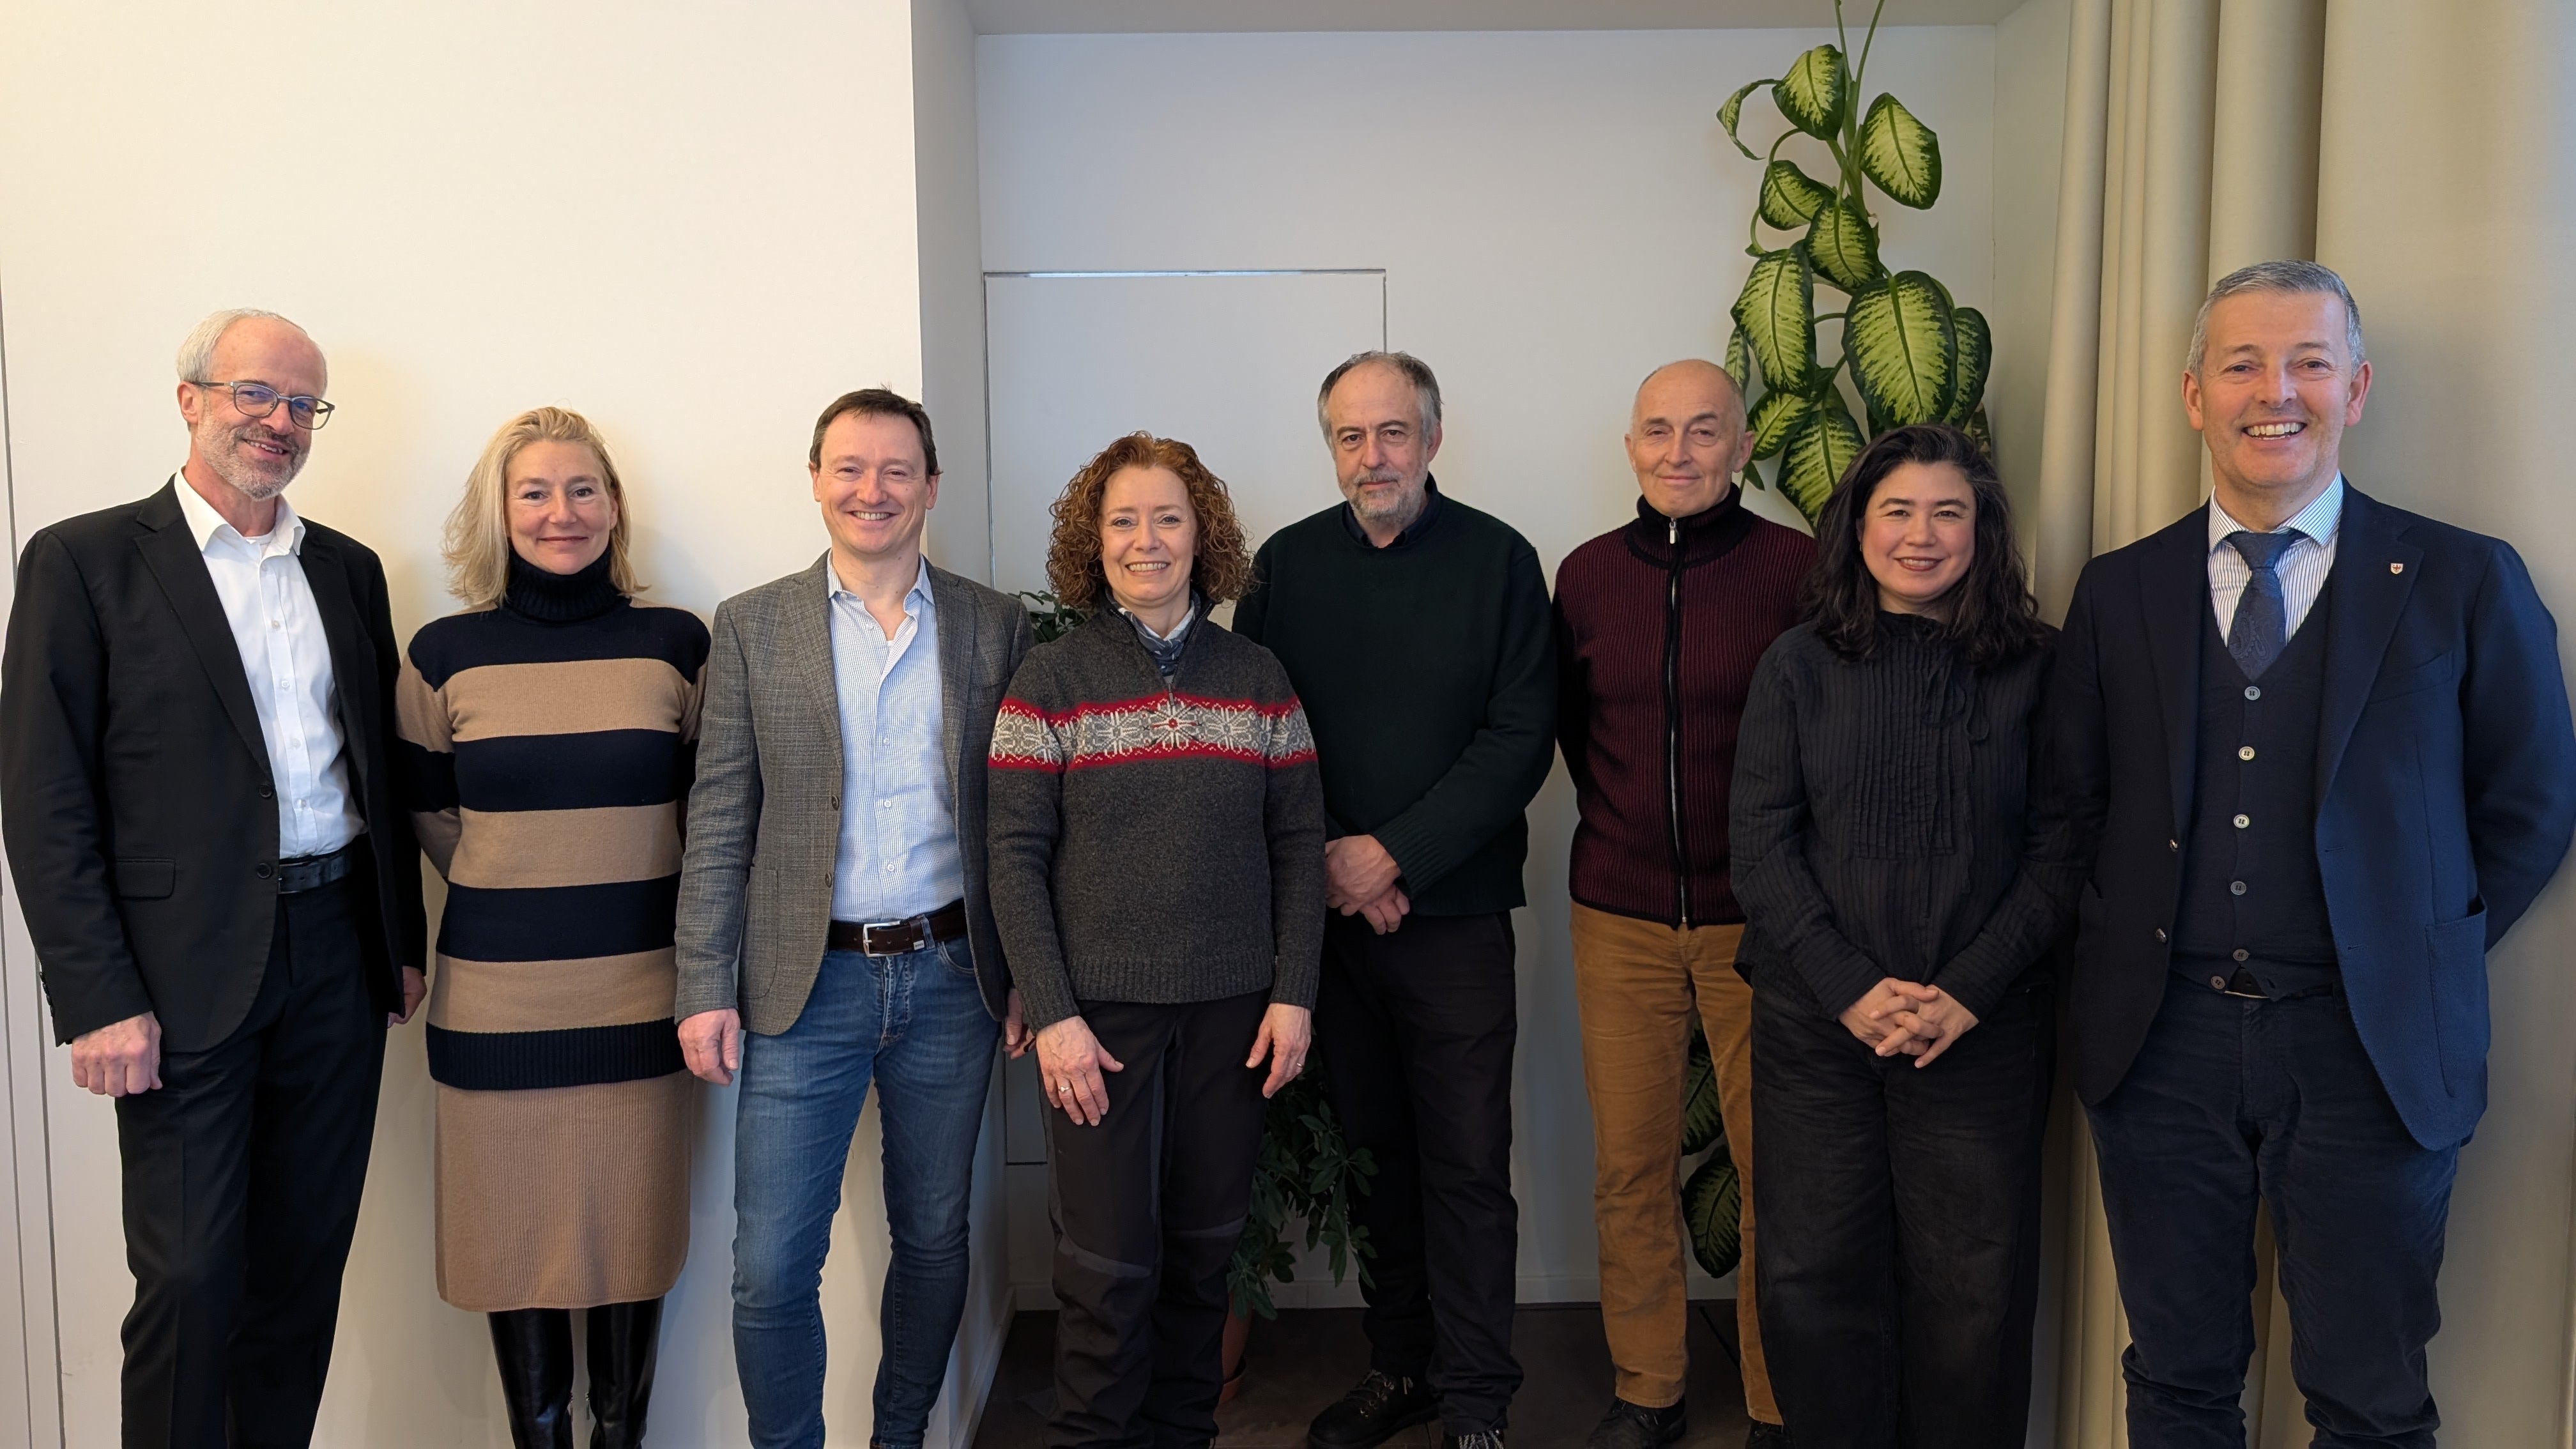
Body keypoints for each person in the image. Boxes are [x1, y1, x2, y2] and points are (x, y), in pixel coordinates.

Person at [2053, 259, 2576, 1446]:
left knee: (2370, 1398)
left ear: (2358, 386)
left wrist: (2417, 946)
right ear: (2195, 395)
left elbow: (2533, 801)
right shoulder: (2120, 590)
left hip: (2374, 1052)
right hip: (2162, 1044)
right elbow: (2072, 805)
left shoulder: (2463, 579)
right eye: (2241, 363)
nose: (2273, 391)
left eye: (2308, 361)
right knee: (2178, 1379)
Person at [0, 309, 426, 1447]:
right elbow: (44, 801)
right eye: (256, 395)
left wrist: (399, 946)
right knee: (190, 1280)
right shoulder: (83, 562)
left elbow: (372, 771)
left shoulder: (347, 569)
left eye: (302, 405)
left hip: (336, 956)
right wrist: (95, 999)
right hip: (176, 979)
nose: (279, 423)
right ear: (189, 398)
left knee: (300, 1273)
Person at [673, 388, 1034, 1449]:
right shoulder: (751, 625)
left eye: (894, 470)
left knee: (933, 1236)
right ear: (817, 481)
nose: (871, 490)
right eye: (848, 468)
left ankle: (901, 1435)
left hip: (952, 979)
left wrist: (1022, 975)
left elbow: (1015, 820)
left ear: (930, 485)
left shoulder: (990, 623)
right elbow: (721, 813)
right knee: (772, 1264)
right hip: (802, 985)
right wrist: (702, 984)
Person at [1234, 351, 1556, 1449]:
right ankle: (1401, 1367)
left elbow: (1519, 740)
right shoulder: (1285, 566)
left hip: (1455, 921)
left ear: (1432, 435)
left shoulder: (1501, 562)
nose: (1373, 457)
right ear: (1330, 447)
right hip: (1328, 920)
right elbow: (1260, 730)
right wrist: (1334, 856)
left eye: (1393, 433)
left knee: (1468, 1166)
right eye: (1350, 437)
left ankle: (1478, 1403)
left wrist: (1397, 856)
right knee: (1374, 1155)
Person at [1730, 424, 2074, 1446]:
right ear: (1858, 527)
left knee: (1973, 1294)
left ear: (1983, 530)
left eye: (1948, 512)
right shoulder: (1797, 665)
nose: (1921, 536)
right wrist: (1850, 988)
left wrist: (1964, 990)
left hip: (1980, 1033)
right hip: (1817, 1033)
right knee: (1809, 1278)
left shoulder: (2038, 668)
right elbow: (1760, 844)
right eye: (1898, 511)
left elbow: (2065, 850)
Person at [986, 432, 1327, 1448]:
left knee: (1202, 1255)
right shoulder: (1050, 683)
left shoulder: (1259, 677)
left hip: (1234, 1016)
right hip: (1099, 1026)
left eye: (1168, 518)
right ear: (1094, 545)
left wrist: (1295, 990)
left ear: (1202, 534)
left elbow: (1302, 845)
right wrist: (1053, 1016)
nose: (1147, 540)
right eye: (1124, 521)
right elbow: (1012, 857)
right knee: (1103, 1267)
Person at [395, 407, 705, 1448]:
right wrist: (523, 883)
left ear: (614, 506)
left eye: (582, 490)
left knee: (632, 1240)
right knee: (513, 1249)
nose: (560, 513)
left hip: (646, 999)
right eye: (534, 491)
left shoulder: (676, 644)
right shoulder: (444, 655)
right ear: (500, 509)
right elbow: (431, 818)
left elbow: (710, 818)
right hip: (498, 1008)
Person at [1552, 360, 1810, 1449]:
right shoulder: (1585, 576)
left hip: (1767, 918)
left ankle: (1772, 1403)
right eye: (1658, 431)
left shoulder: (1799, 569)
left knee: (1777, 1172)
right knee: (1632, 1165)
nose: (1679, 451)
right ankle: (1648, 1385)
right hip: (1620, 912)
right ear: (1630, 450)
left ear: (1742, 446)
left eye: (1704, 431)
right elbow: (1571, 728)